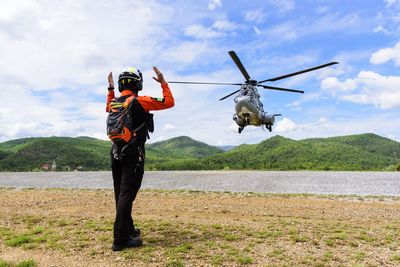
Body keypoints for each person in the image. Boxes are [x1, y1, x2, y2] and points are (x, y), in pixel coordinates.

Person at [106, 66, 174, 251]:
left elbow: (108, 106)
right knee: (127, 194)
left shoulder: (114, 103)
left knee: (120, 193)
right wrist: (163, 83)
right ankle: (120, 240)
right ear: (138, 83)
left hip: (115, 152)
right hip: (133, 153)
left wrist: (110, 90)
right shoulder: (141, 101)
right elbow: (169, 102)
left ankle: (128, 229)